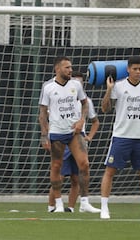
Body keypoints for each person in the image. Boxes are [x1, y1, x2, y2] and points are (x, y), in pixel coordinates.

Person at [100, 56, 140, 220]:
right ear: (128, 69)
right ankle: (104, 208)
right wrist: (109, 89)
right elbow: (105, 108)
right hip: (121, 136)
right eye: (135, 69)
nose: (138, 72)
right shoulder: (119, 86)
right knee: (110, 171)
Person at [39, 56, 96, 213]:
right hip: (57, 132)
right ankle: (57, 204)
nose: (70, 70)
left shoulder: (76, 85)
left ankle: (84, 203)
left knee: (84, 164)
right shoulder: (48, 87)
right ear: (57, 69)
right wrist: (44, 135)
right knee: (56, 167)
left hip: (74, 132)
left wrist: (81, 121)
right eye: (67, 67)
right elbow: (42, 113)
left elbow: (85, 104)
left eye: (71, 67)